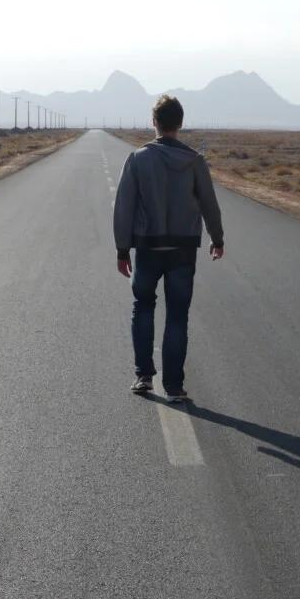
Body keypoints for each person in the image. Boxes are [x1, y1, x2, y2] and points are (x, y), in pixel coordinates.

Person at [113, 95, 224, 404]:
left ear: (154, 123)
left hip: (147, 249)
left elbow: (123, 208)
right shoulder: (194, 161)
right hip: (183, 251)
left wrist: (123, 250)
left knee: (143, 306)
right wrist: (218, 239)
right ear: (180, 123)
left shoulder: (138, 159)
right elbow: (209, 204)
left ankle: (143, 377)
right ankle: (174, 386)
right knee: (177, 316)